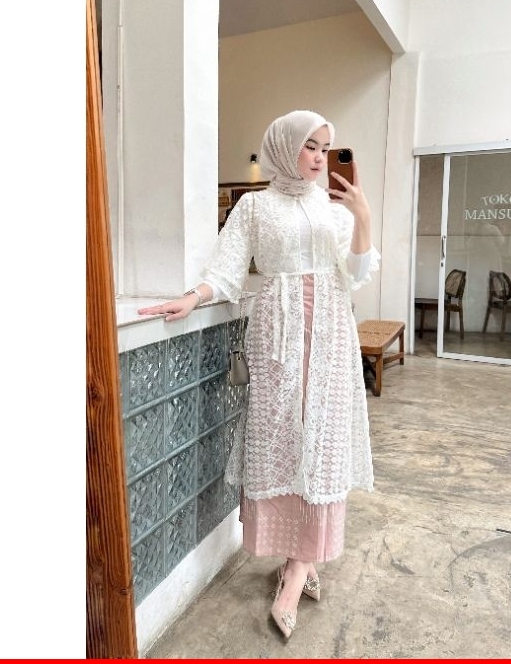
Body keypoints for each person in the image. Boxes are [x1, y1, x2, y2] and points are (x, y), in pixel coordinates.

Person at [138, 109, 378, 640]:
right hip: (276, 334)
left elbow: (357, 275)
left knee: (322, 440)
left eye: (326, 148)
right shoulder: (254, 207)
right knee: (280, 440)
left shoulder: (335, 209)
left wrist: (361, 217)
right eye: (310, 145)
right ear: (285, 146)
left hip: (331, 334)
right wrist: (191, 297)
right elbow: (225, 270)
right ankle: (297, 558)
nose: (319, 157)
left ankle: (298, 567)